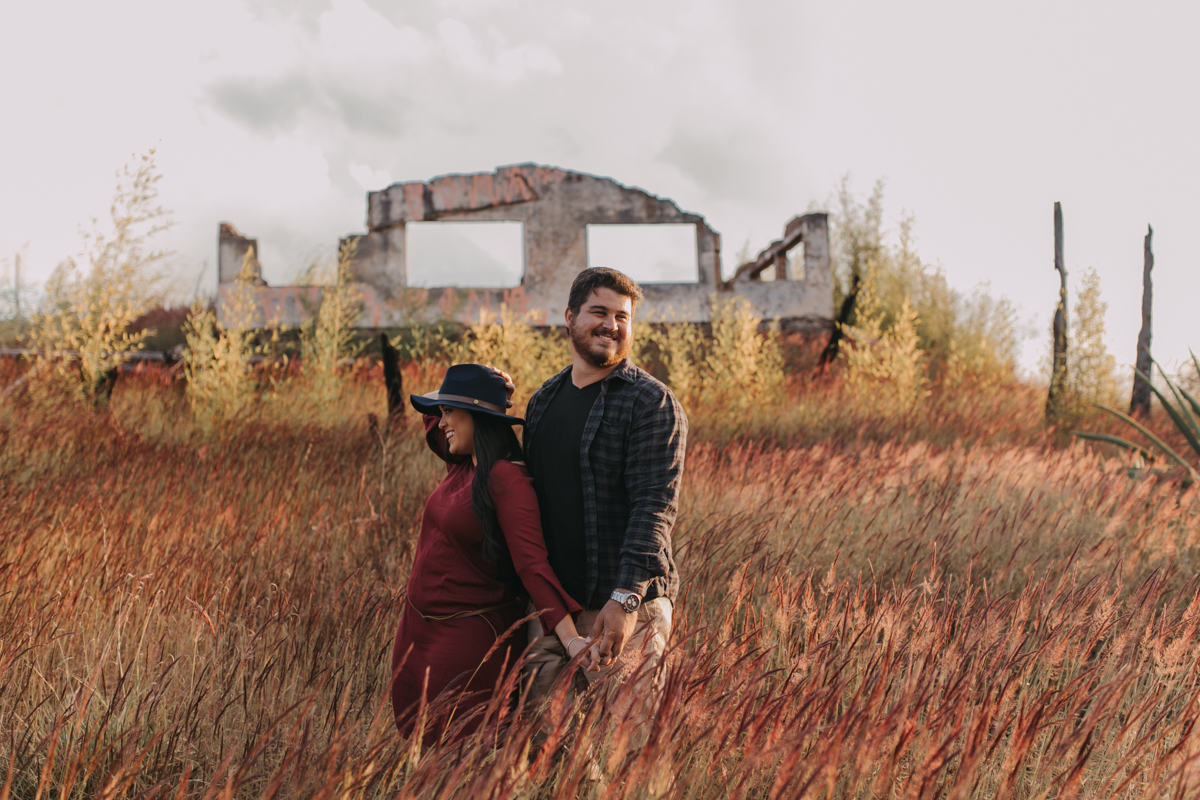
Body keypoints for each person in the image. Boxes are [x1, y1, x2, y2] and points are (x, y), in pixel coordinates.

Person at [390, 363, 597, 743]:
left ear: (478, 415)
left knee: (461, 749)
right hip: (418, 630)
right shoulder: (462, 464)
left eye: (449, 411)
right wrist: (492, 395)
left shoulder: (506, 479)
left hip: (465, 639)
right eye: (441, 412)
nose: (441, 421)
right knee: (421, 745)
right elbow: (433, 426)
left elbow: (532, 564)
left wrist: (570, 640)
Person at [522, 267, 688, 718]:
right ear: (570, 317)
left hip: (626, 610)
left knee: (625, 745)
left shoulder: (651, 404)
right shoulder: (542, 402)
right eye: (599, 312)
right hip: (554, 614)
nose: (611, 325)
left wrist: (625, 599)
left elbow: (654, 510)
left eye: (622, 316)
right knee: (547, 743)